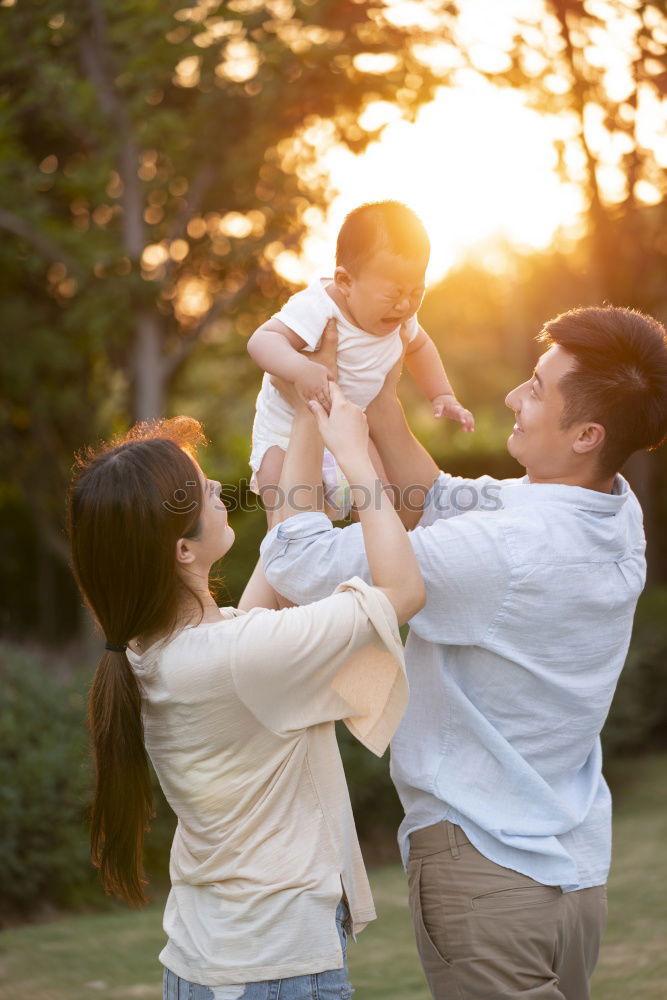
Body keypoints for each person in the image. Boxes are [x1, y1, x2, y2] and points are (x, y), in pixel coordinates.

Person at [261, 305, 667, 999]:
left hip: (484, 873)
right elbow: (439, 504)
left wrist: (328, 438)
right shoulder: (611, 511)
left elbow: (300, 560)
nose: (514, 396)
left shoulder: (508, 551)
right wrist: (385, 401)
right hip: (570, 877)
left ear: (585, 435)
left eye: (536, 389)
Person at [66, 376, 425, 997]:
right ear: (182, 550)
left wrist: (308, 403)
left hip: (213, 960)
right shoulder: (237, 657)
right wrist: (359, 458)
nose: (213, 486)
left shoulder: (165, 649)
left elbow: (277, 579)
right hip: (274, 967)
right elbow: (403, 594)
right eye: (197, 488)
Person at [247, 200, 473, 521]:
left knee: (381, 508)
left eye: (416, 291)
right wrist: (300, 369)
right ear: (345, 281)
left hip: (351, 433)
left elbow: (419, 348)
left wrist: (441, 394)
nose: (405, 305)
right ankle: (288, 557)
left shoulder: (403, 317)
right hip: (286, 436)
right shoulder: (318, 307)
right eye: (393, 294)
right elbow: (262, 340)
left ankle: (372, 563)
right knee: (289, 518)